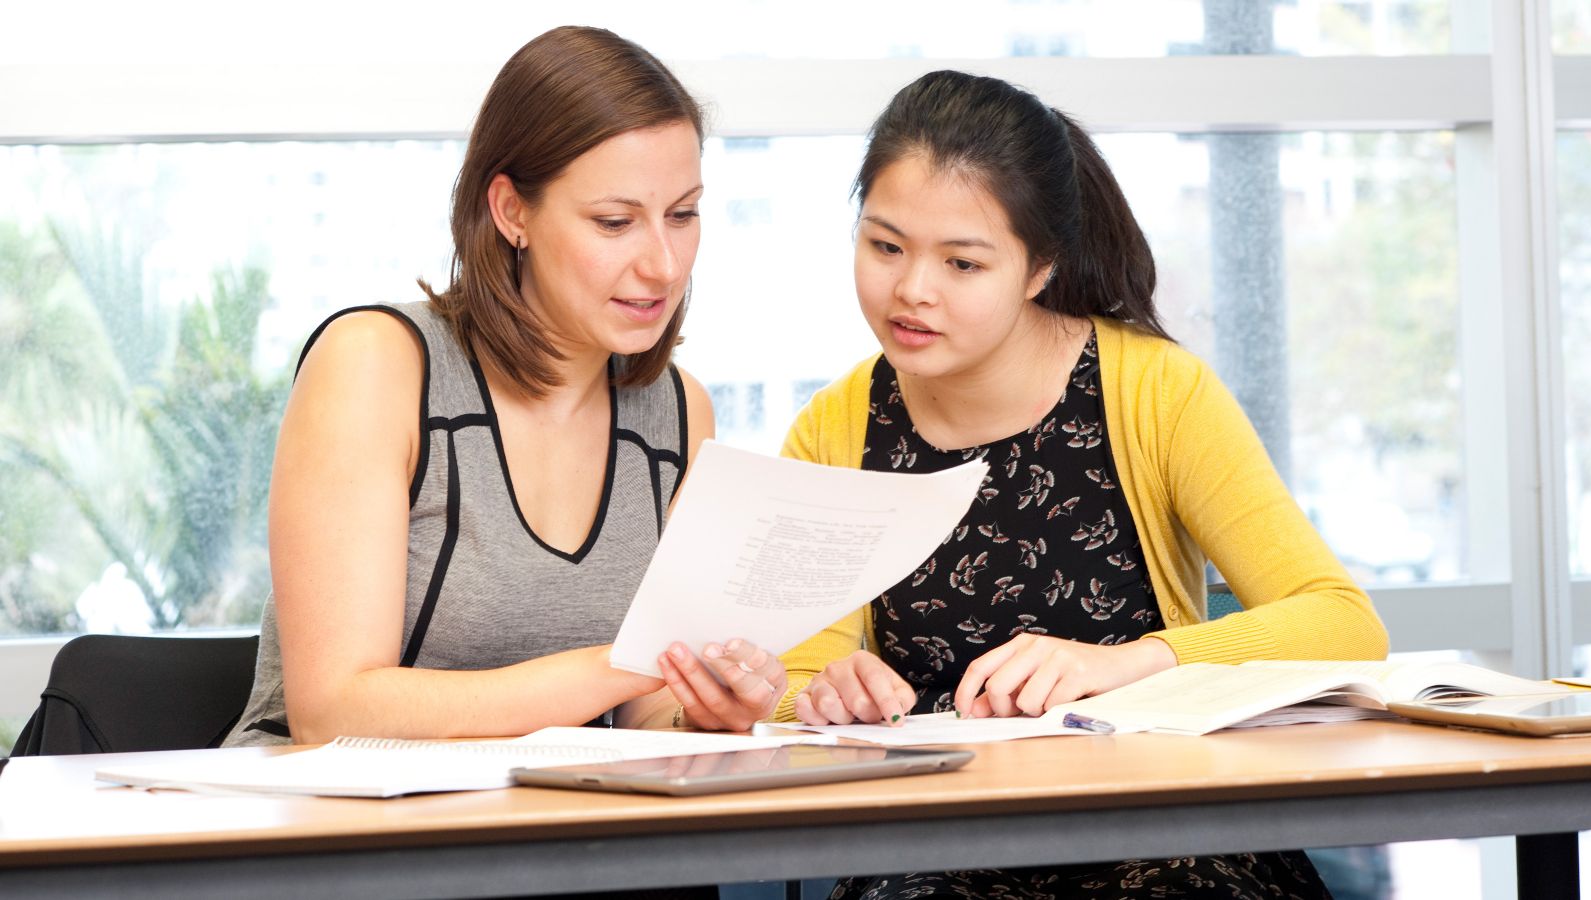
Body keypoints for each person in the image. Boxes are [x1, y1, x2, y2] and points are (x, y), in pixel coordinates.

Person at [775, 70, 1390, 899]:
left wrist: (1135, 663)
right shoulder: (837, 427)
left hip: (1163, 830)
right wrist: (825, 694)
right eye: (885, 245)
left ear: (1040, 269)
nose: (912, 289)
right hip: (932, 845)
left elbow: (1344, 624)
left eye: (962, 262)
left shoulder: (1155, 392)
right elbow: (789, 695)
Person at [224, 26, 785, 757]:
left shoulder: (679, 414)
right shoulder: (376, 365)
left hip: (553, 824)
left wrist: (707, 709)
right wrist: (607, 672)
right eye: (615, 222)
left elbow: (646, 717)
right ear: (512, 211)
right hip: (339, 831)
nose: (663, 263)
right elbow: (333, 708)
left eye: (683, 214)